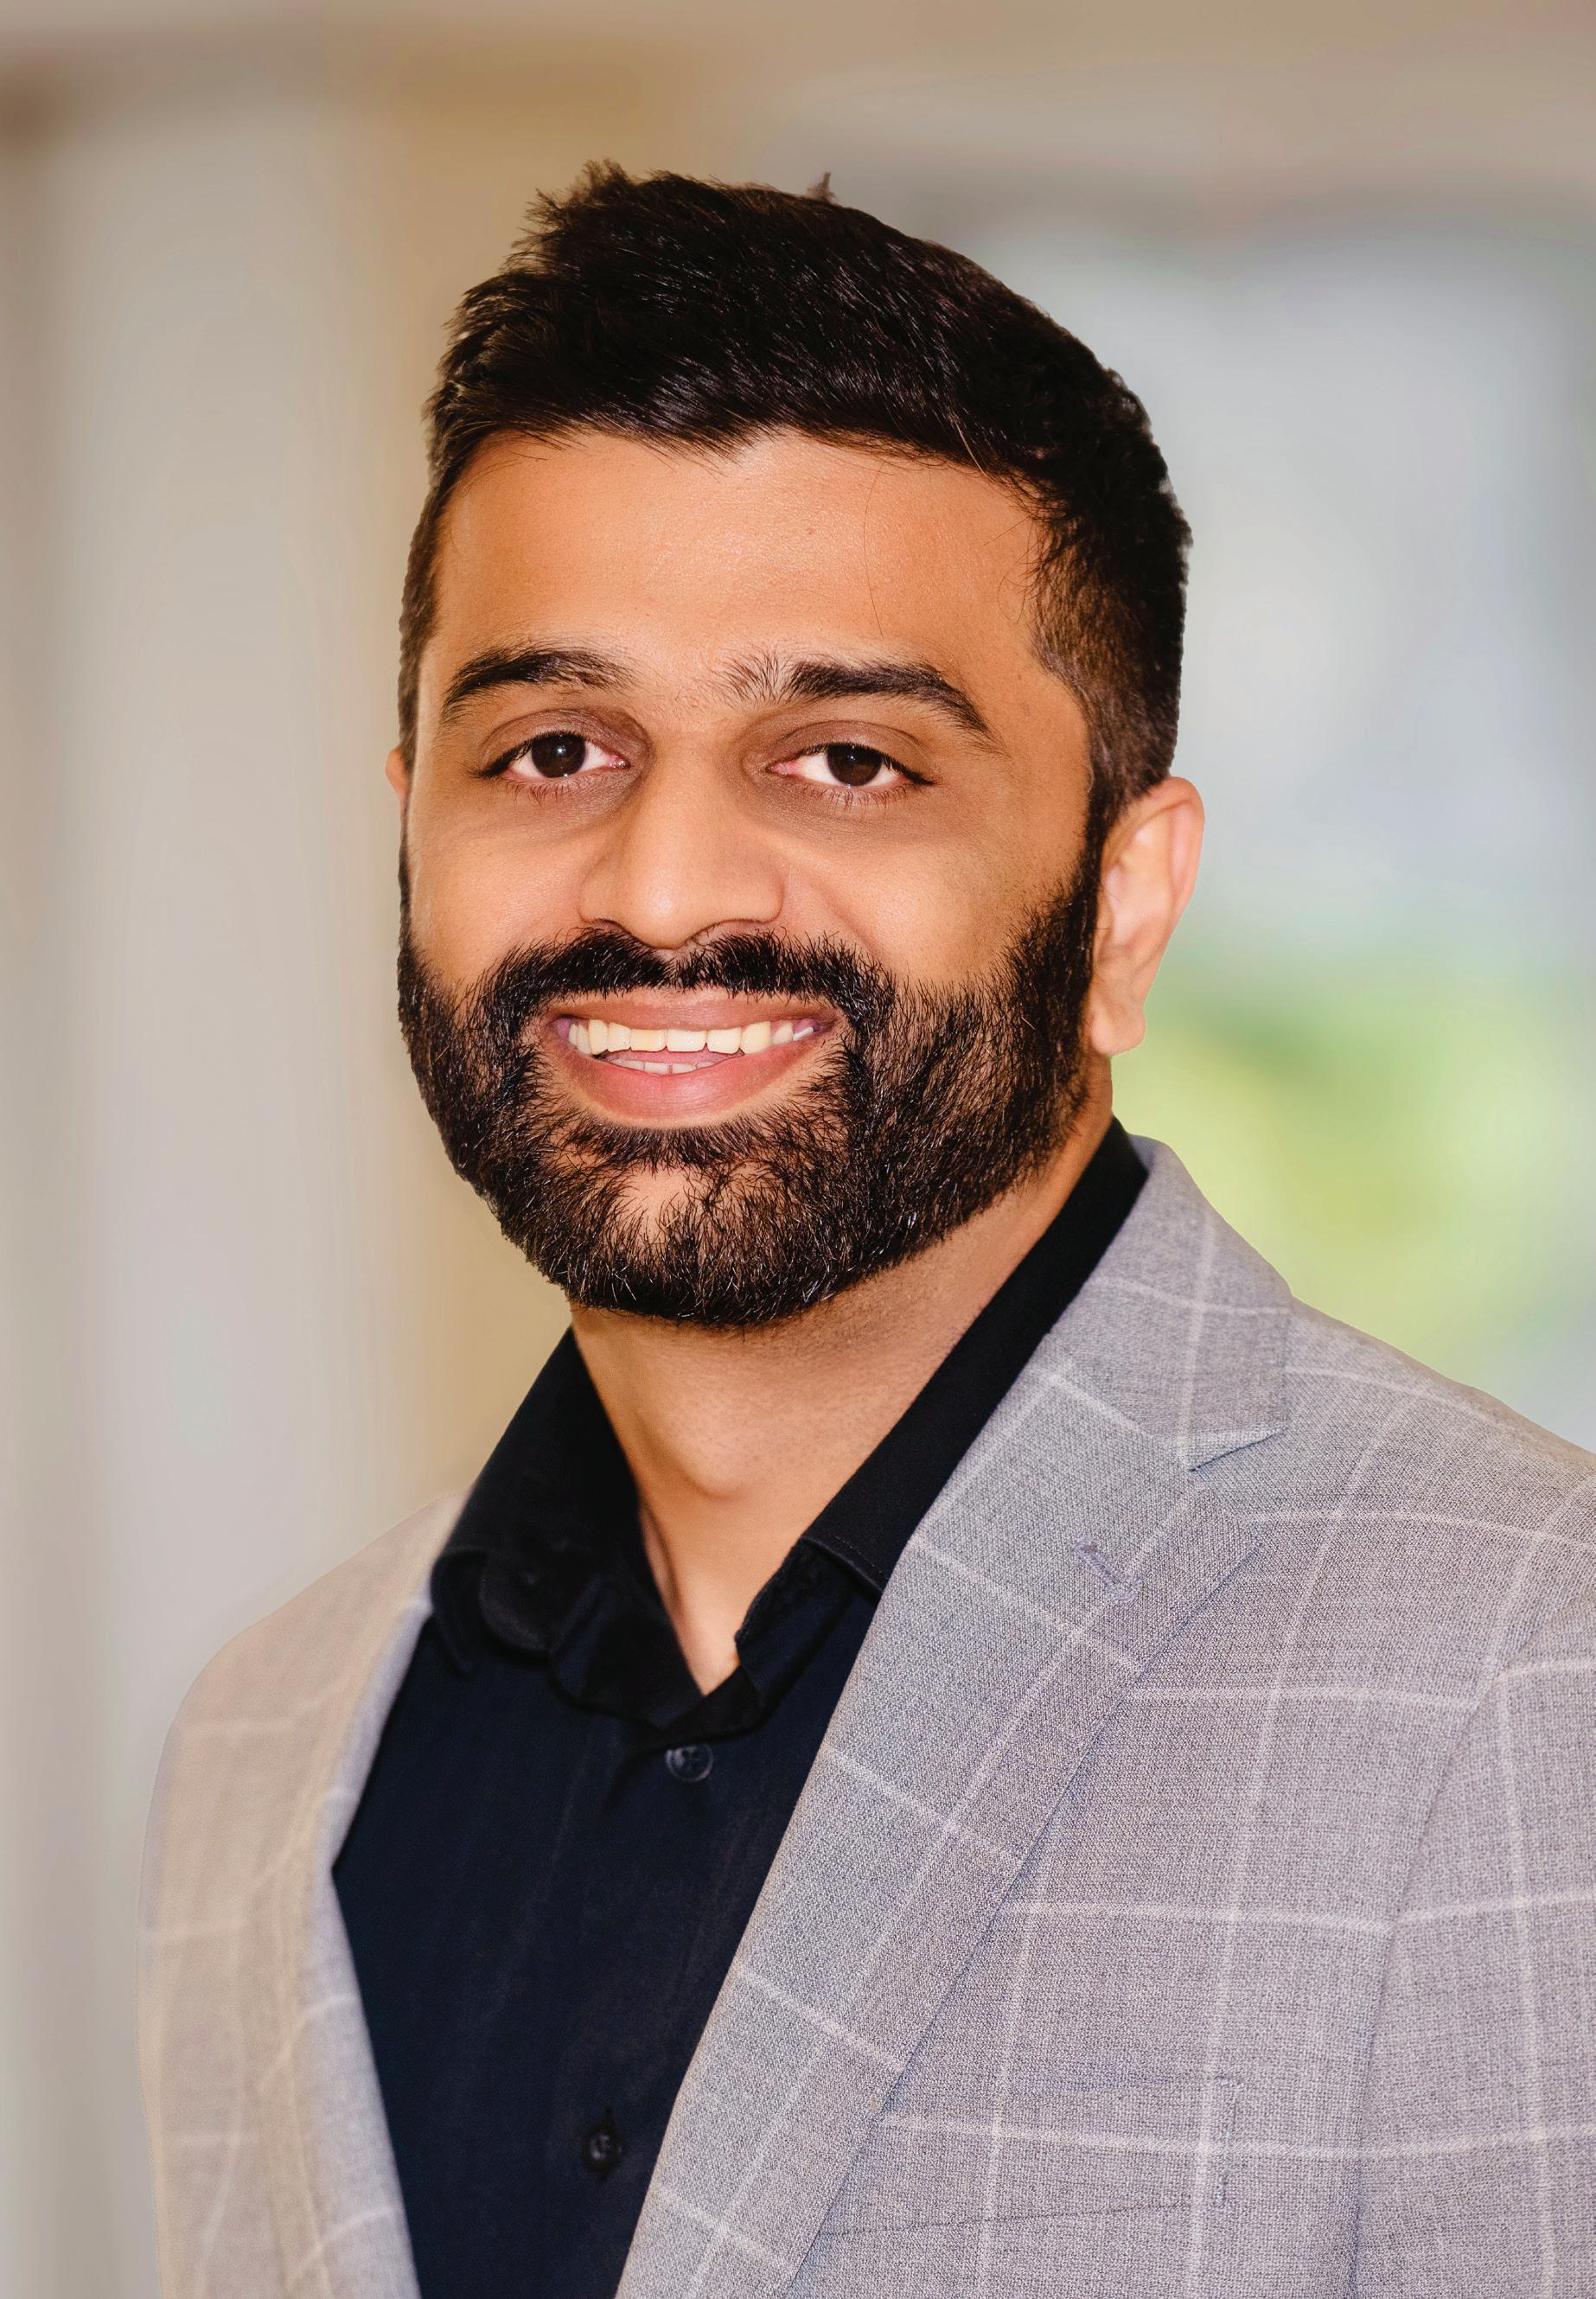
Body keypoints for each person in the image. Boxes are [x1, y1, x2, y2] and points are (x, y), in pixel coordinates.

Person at [139, 167, 1596, 2299]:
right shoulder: (266, 1748)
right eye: (553, 748)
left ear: (1122, 900)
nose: (660, 889)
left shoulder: (1527, 1667)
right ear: (411, 828)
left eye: (842, 760)